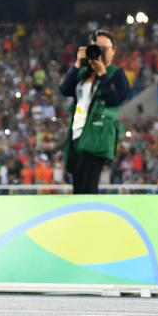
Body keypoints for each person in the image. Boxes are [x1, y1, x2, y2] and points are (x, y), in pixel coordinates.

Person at [60, 29, 129, 194]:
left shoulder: (116, 74)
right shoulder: (84, 73)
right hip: (78, 133)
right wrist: (77, 64)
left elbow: (116, 98)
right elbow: (65, 89)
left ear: (113, 51)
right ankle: (81, 217)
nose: (101, 52)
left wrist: (102, 73)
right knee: (78, 186)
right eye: (97, 47)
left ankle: (89, 217)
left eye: (105, 48)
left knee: (88, 185)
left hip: (97, 135)